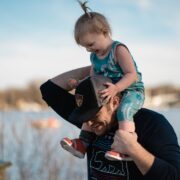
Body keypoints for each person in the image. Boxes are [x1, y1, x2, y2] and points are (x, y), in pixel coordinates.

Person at [40, 72, 180, 180]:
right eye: (84, 117)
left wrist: (133, 149)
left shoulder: (152, 124)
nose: (88, 123)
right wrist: (97, 67)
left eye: (93, 116)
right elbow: (49, 90)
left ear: (114, 102)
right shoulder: (90, 123)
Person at [60, 1, 145, 161]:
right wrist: (79, 84)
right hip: (109, 92)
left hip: (131, 91)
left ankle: (126, 148)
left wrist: (116, 88)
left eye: (91, 44)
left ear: (104, 32)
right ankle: (83, 143)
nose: (89, 49)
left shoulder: (118, 50)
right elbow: (93, 78)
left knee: (124, 110)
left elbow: (132, 75)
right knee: (89, 107)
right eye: (85, 47)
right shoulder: (94, 56)